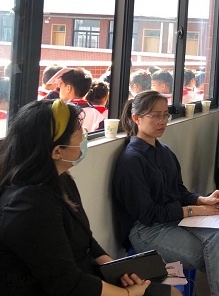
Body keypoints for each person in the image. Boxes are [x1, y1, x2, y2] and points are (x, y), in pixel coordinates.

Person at [0, 99, 177, 296]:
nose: (84, 139)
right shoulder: (28, 206)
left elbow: (85, 240)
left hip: (84, 276)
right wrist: (127, 294)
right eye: (80, 135)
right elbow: (67, 284)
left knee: (171, 292)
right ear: (57, 152)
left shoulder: (62, 180)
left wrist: (117, 268)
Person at [112, 90, 219, 296]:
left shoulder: (165, 151)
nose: (162, 121)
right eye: (155, 116)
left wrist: (203, 200)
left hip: (176, 220)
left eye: (165, 115)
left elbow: (179, 191)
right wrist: (193, 210)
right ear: (136, 118)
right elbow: (148, 215)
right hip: (147, 231)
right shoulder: (132, 160)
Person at [59, 67, 106, 132]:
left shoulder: (60, 112)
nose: (59, 90)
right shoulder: (97, 115)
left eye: (60, 86)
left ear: (68, 88)